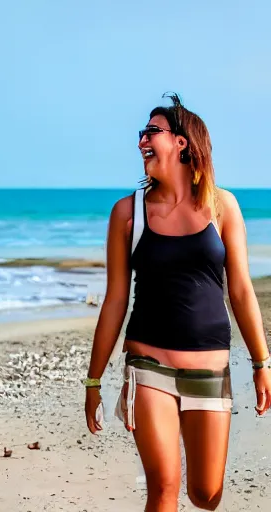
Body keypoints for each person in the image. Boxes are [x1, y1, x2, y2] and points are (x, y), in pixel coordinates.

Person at [84, 94, 271, 511]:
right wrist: (94, 381)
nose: (140, 143)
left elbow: (240, 290)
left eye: (151, 132)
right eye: (141, 134)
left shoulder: (223, 207)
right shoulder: (127, 214)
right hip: (149, 366)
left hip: (209, 368)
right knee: (163, 488)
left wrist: (262, 363)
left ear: (182, 142)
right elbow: (115, 299)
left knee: (206, 495)